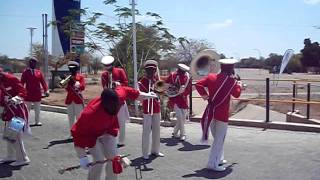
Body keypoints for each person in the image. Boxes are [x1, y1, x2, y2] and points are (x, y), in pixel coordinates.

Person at [71, 86, 157, 180]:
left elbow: (133, 93)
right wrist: (82, 157)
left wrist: (148, 95)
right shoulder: (90, 114)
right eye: (113, 106)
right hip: (92, 136)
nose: (116, 108)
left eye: (117, 104)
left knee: (113, 160)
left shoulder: (119, 96)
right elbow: (77, 134)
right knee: (98, 161)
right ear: (104, 105)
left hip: (109, 130)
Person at [195, 59, 242, 171]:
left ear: (221, 67)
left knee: (217, 138)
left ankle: (219, 158)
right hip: (222, 114)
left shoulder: (211, 77)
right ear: (231, 68)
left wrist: (206, 97)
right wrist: (239, 84)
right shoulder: (232, 82)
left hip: (210, 111)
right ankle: (213, 164)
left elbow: (198, 85)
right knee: (219, 139)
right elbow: (237, 94)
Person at [0, 68, 31, 166]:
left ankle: (23, 158)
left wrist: (16, 98)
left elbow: (23, 92)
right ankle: (11, 156)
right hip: (8, 111)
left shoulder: (11, 78)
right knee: (8, 135)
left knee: (15, 135)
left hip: (18, 110)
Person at [100, 55, 129, 147]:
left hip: (119, 99)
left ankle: (121, 141)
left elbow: (126, 83)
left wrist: (118, 84)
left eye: (108, 65)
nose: (107, 66)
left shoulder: (120, 71)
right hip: (109, 100)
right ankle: (110, 139)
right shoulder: (104, 74)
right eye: (105, 65)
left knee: (121, 121)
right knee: (109, 122)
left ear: (112, 64)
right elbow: (104, 87)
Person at [138, 60, 164, 160]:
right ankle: (145, 152)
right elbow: (139, 96)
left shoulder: (158, 81)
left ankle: (156, 150)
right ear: (146, 70)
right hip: (147, 110)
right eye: (149, 70)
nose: (151, 72)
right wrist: (148, 94)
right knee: (146, 132)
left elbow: (162, 95)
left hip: (156, 109)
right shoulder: (141, 82)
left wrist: (158, 91)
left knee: (157, 131)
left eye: (153, 70)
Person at [165, 63, 192, 141]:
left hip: (183, 99)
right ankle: (183, 134)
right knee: (180, 117)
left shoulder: (187, 77)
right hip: (175, 98)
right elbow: (167, 86)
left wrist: (184, 92)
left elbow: (189, 88)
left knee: (183, 118)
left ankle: (175, 131)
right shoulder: (172, 75)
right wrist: (174, 90)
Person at [21, 57, 49, 126]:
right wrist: (20, 92)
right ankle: (25, 122)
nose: (32, 64)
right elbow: (21, 83)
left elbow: (43, 82)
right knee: (27, 109)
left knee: (37, 109)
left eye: (34, 62)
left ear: (36, 64)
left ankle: (37, 121)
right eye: (31, 62)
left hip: (37, 93)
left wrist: (46, 90)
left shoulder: (38, 72)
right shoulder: (25, 72)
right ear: (29, 63)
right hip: (28, 94)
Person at [65, 61, 85, 132]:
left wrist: (74, 82)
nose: (71, 70)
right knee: (70, 118)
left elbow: (82, 87)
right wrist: (67, 83)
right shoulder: (68, 77)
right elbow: (67, 89)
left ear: (76, 68)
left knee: (79, 118)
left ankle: (79, 132)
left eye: (73, 68)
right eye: (70, 68)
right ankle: (71, 133)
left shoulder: (80, 76)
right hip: (69, 100)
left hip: (78, 100)